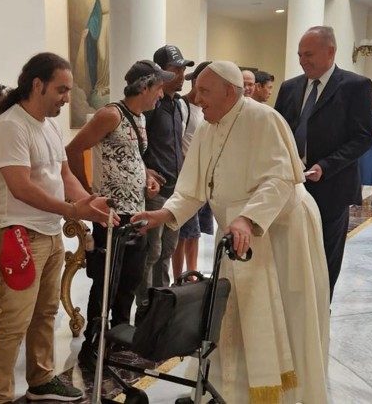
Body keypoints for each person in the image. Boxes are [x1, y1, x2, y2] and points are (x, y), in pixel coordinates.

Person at [134, 61, 330, 403]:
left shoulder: (263, 119)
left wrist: (248, 219)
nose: (197, 98)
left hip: (280, 231)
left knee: (286, 312)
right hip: (237, 234)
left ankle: (286, 395)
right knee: (233, 312)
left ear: (230, 91)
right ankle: (232, 389)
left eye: (204, 91)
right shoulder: (208, 126)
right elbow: (192, 187)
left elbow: (280, 179)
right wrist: (163, 214)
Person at [0, 52, 116, 403]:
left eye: (69, 90)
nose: (67, 98)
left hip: (49, 231)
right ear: (37, 85)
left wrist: (90, 204)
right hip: (19, 234)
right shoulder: (11, 126)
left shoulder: (50, 126)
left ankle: (41, 380)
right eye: (61, 90)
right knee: (14, 322)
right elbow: (21, 187)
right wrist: (72, 209)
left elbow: (64, 175)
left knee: (46, 313)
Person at [65, 60, 172, 367]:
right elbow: (73, 150)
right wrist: (87, 195)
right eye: (159, 88)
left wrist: (146, 176)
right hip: (112, 215)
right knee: (107, 282)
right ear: (144, 87)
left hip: (136, 212)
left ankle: (119, 340)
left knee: (129, 280)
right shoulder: (110, 114)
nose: (161, 95)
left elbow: (130, 158)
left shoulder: (140, 118)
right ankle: (93, 345)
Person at [274, 25, 372, 300]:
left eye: (308, 54)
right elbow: (277, 132)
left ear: (330, 52)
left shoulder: (355, 86)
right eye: (299, 55)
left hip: (331, 186)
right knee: (292, 254)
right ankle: (294, 308)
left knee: (325, 255)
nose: (302, 61)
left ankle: (320, 309)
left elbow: (362, 137)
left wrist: (325, 166)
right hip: (292, 186)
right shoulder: (290, 87)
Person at [135, 44, 193, 306]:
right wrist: (145, 170)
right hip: (155, 190)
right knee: (152, 251)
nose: (180, 75)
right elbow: (137, 145)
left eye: (182, 69)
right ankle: (146, 306)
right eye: (175, 69)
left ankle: (162, 304)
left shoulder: (178, 105)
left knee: (167, 249)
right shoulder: (151, 106)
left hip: (176, 190)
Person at [171, 61, 213, 280]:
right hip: (187, 176)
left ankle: (192, 274)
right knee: (183, 231)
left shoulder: (210, 109)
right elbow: (178, 141)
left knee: (195, 232)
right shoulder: (182, 106)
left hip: (204, 176)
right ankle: (180, 277)